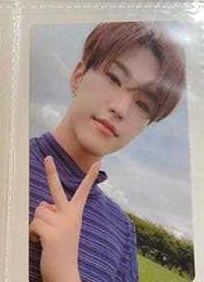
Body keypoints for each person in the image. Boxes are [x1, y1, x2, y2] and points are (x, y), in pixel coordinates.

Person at [29, 21, 186, 281]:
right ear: (78, 76)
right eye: (114, 78)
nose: (120, 109)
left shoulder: (121, 233)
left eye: (143, 105)